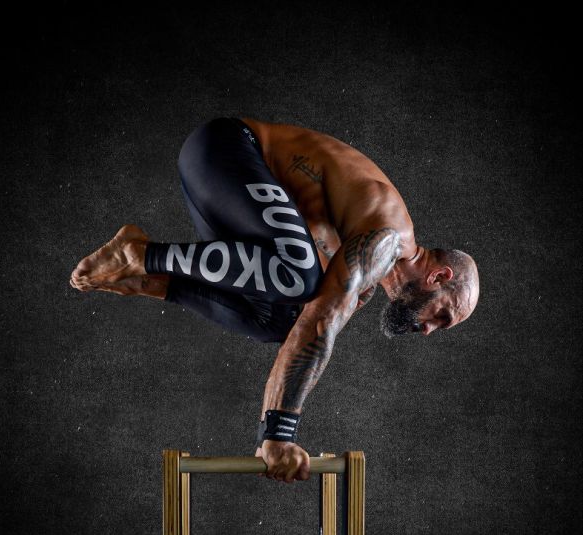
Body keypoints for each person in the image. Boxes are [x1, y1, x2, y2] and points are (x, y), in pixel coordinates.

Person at [70, 116, 480, 483]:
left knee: (282, 321)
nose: (429, 329)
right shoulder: (389, 239)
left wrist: (269, 435)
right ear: (439, 276)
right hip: (227, 149)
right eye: (442, 315)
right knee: (300, 280)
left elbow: (305, 330)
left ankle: (154, 282)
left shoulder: (368, 279)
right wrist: (279, 435)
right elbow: (321, 322)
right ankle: (139, 255)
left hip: (226, 194)